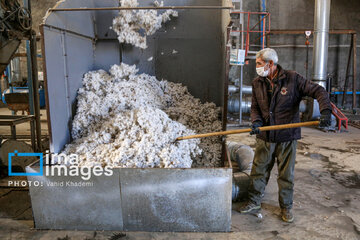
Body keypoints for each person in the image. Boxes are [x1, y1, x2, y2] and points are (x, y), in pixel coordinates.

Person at [239, 48, 332, 223]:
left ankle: (286, 207)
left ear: (271, 64)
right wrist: (256, 122)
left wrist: (325, 111)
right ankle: (254, 201)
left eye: (259, 64)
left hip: (287, 137)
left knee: (285, 175)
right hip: (265, 136)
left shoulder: (293, 79)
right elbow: (255, 107)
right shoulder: (257, 82)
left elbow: (318, 91)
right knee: (258, 171)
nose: (257, 67)